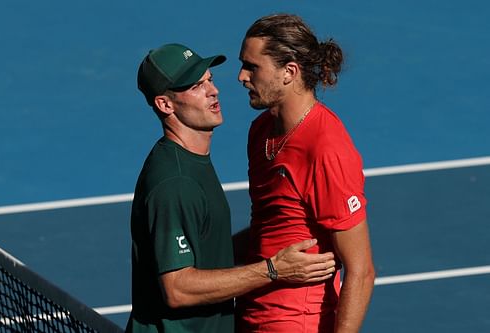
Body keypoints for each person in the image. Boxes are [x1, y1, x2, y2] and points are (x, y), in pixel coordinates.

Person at [126, 43, 338, 333]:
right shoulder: (176, 183)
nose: (213, 91)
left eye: (210, 80)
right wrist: (274, 269)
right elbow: (178, 289)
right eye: (196, 86)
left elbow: (209, 249)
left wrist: (287, 227)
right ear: (166, 104)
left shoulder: (191, 161)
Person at [236, 14, 376, 333]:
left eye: (252, 66)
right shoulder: (261, 132)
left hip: (297, 323)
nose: (241, 77)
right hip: (250, 315)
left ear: (289, 72)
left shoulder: (326, 147)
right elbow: (275, 224)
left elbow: (362, 270)